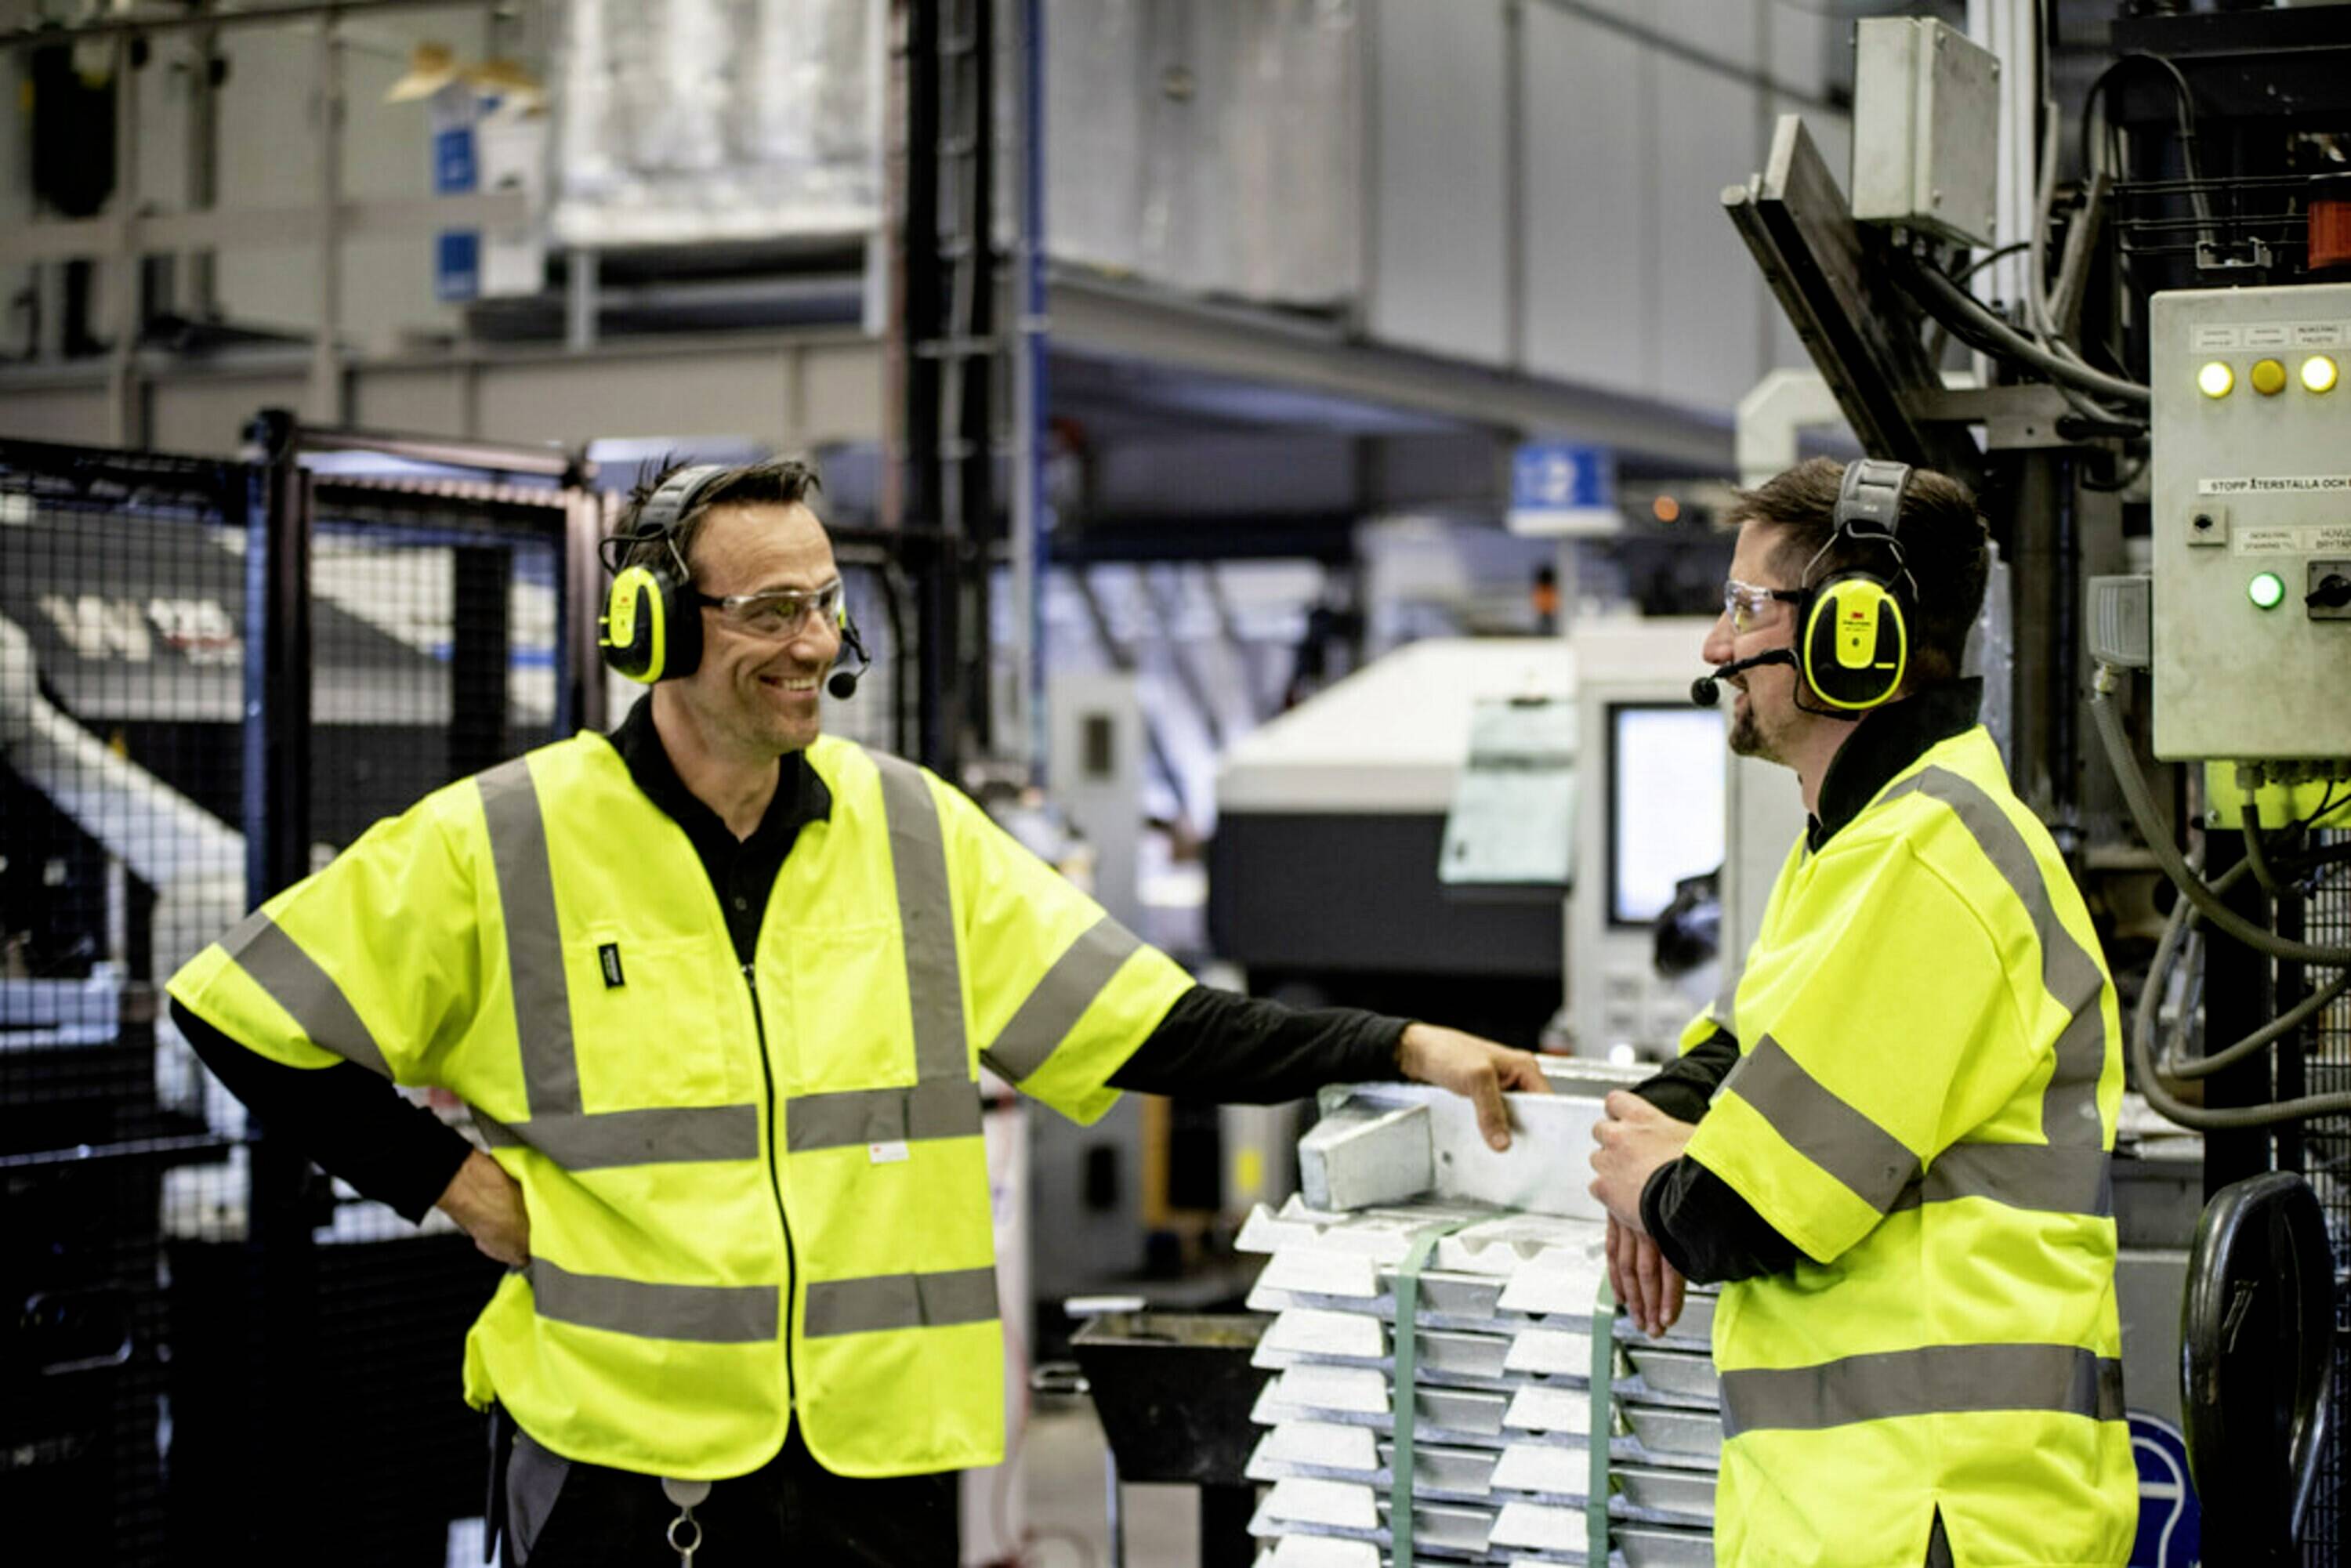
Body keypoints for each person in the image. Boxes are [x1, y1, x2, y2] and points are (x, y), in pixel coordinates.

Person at [166, 457, 1546, 1567]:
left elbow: (1155, 1023)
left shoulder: (914, 832)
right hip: (625, 1471)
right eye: (770, 610)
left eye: (827, 604)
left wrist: (1401, 1044)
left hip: (871, 1471)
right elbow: (236, 1007)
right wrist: (448, 1179)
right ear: (653, 624)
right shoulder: (505, 841)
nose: (816, 644)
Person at [1585, 458, 2135, 1566]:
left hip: (1938, 1514)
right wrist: (1650, 1137)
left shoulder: (1931, 860)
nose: (1715, 647)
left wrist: (1644, 1183)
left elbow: (1745, 1206)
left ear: (1854, 636)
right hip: (1868, 1506)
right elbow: (1745, 1051)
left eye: (1746, 609)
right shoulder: (1858, 838)